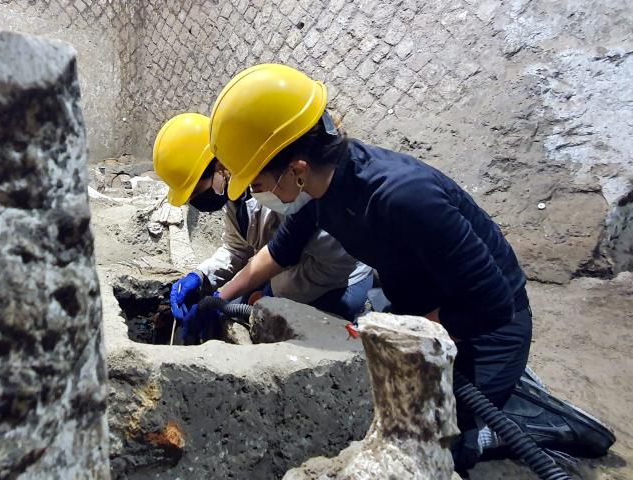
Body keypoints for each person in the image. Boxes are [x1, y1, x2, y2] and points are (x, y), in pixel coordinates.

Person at [207, 64, 531, 474]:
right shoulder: (324, 188)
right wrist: (219, 297)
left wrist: (393, 335)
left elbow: (492, 303)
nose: (257, 194)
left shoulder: (403, 196)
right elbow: (277, 253)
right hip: (423, 310)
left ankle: (517, 424)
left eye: (257, 182)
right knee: (373, 410)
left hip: (490, 327)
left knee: (428, 445)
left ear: (297, 170)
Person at [152, 112, 372, 345]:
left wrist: (270, 293)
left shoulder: (286, 189)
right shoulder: (235, 195)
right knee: (239, 302)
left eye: (197, 191)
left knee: (257, 316)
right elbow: (237, 249)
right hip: (279, 269)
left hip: (336, 281)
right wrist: (201, 275)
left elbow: (331, 267)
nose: (197, 201)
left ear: (219, 167)